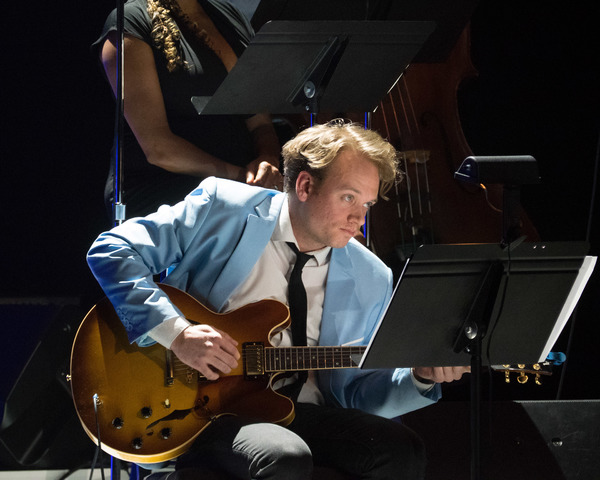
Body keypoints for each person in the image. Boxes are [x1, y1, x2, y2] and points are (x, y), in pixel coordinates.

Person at [87, 120, 469, 479]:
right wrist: (178, 335)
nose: (359, 219)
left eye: (367, 204)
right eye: (348, 197)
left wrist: (418, 378)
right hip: (205, 408)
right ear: (304, 186)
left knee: (403, 449)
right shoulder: (225, 207)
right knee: (285, 457)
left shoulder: (372, 275)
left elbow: (355, 393)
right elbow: (112, 250)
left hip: (302, 412)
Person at [93, 0, 283, 220]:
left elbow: (259, 121)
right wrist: (242, 178)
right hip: (166, 192)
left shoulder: (227, 14)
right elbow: (158, 149)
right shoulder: (130, 21)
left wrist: (268, 159)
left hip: (240, 190)